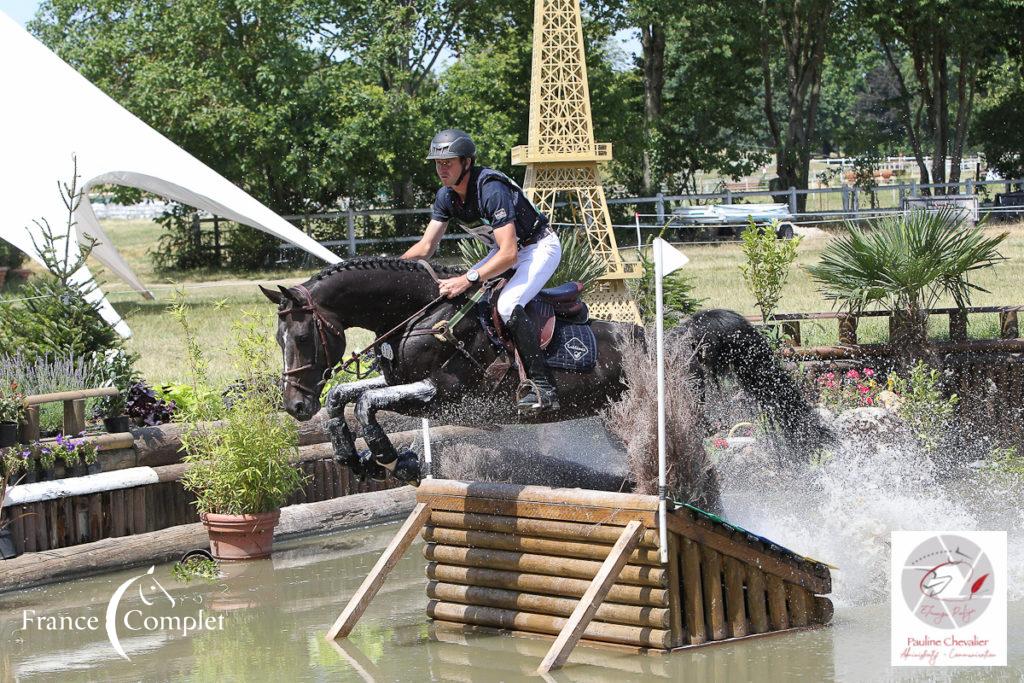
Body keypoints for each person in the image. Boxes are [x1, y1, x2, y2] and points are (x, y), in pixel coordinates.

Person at [401, 129, 562, 415]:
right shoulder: (446, 197)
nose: (442, 169)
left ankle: (543, 387)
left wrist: (469, 278)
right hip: (502, 251)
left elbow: (510, 254)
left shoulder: (490, 189)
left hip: (537, 248)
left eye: (448, 162)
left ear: (467, 162)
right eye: (438, 163)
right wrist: (389, 268)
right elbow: (426, 246)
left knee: (508, 304)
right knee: (451, 299)